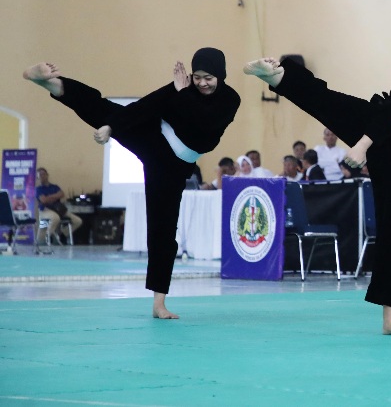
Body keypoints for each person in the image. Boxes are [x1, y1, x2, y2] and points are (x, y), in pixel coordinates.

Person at [243, 23, 391, 336]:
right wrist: (363, 144)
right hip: (381, 129)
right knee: (329, 102)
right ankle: (277, 76)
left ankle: (390, 320)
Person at [24, 48, 240, 319]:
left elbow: (204, 124)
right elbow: (145, 107)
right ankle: (52, 83)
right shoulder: (180, 88)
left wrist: (181, 92)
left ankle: (159, 303)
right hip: (154, 140)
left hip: (172, 165)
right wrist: (112, 127)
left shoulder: (230, 99)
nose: (202, 83)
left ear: (220, 75)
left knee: (163, 229)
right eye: (197, 77)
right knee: (103, 108)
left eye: (208, 77)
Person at [35, 167, 82, 245]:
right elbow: (43, 200)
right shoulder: (38, 189)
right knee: (54, 218)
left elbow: (62, 194)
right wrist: (55, 196)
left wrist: (48, 197)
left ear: (47, 175)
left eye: (43, 174)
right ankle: (47, 237)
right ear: (38, 177)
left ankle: (63, 234)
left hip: (58, 209)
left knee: (78, 221)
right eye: (40, 175)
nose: (42, 176)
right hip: (45, 210)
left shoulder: (55, 186)